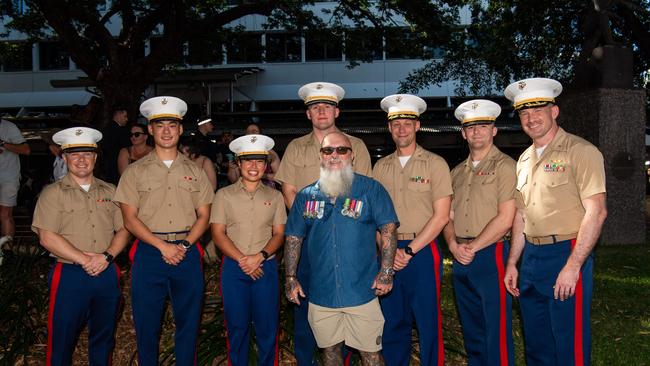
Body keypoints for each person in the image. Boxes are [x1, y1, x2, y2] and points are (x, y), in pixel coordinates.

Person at [503, 78, 607, 366]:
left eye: (538, 110)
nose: (531, 118)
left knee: (568, 342)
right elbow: (521, 215)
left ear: (554, 111)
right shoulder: (524, 159)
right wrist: (513, 262)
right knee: (536, 342)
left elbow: (597, 212)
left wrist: (574, 266)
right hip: (532, 258)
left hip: (566, 252)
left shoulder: (581, 151)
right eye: (524, 113)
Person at [274, 81, 372, 365]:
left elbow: (364, 191)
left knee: (353, 306)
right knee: (306, 306)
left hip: (350, 242)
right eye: (315, 107)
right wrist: (311, 224)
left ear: (337, 112)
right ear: (308, 114)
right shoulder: (295, 147)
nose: (321, 112)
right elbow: (289, 190)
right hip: (308, 242)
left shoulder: (357, 146)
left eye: (327, 107)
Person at [114, 96, 214, 366]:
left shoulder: (196, 171)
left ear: (181, 129)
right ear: (150, 130)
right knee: (147, 327)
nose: (167, 131)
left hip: (188, 252)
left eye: (172, 125)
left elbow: (204, 215)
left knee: (189, 324)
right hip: (149, 253)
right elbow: (129, 218)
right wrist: (163, 247)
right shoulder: (134, 173)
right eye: (160, 125)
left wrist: (182, 246)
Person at [284, 131, 398, 366]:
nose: (334, 155)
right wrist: (291, 277)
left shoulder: (371, 190)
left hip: (362, 291)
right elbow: (293, 238)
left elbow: (388, 230)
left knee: (371, 354)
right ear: (321, 156)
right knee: (330, 352)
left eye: (341, 150)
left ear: (352, 155)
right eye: (328, 150)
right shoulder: (306, 196)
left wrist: (386, 272)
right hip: (322, 293)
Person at [32, 127, 129, 365]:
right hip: (69, 275)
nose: (81, 159)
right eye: (74, 154)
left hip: (106, 272)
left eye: (87, 153)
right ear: (64, 158)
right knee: (61, 339)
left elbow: (125, 229)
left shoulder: (110, 191)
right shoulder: (53, 194)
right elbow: (46, 237)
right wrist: (86, 260)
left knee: (104, 337)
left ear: (95, 157)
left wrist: (106, 257)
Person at [372, 94, 452, 366]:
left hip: (422, 252)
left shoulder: (435, 163)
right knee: (393, 320)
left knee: (428, 321)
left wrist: (407, 251)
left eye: (407, 123)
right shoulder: (380, 167)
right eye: (396, 124)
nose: (402, 129)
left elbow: (441, 216)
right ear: (389, 128)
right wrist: (387, 252)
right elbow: (373, 217)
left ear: (418, 126)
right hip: (388, 252)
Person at [443, 99, 516, 365]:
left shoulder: (506, 166)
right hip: (460, 254)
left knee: (495, 327)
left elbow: (506, 218)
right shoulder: (455, 173)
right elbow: (446, 217)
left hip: (490, 253)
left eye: (483, 126)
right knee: (471, 326)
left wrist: (472, 248)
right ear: (463, 133)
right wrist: (453, 246)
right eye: (470, 127)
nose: (476, 132)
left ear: (494, 130)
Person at [211, 134, 286, 365]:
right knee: (236, 327)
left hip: (266, 268)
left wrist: (260, 257)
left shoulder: (275, 196)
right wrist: (244, 260)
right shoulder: (223, 195)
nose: (254, 167)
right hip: (235, 268)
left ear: (266, 165)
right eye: (248, 161)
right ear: (239, 164)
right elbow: (217, 233)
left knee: (267, 327)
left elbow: (279, 234)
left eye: (259, 161)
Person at [0, 118, 30, 250]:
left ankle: (7, 251)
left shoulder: (9, 127)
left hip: (8, 177)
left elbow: (26, 150)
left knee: (5, 214)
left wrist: (2, 143)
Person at [227, 122, 281, 189]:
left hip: (267, 192)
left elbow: (280, 178)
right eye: (248, 131)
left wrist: (259, 175)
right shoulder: (240, 153)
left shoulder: (271, 153)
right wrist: (231, 168)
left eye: (254, 131)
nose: (251, 133)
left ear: (260, 134)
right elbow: (233, 180)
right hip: (243, 191)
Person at [99, 107, 131, 184]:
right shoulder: (120, 131)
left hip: (108, 166)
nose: (126, 119)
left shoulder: (106, 128)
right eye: (125, 116)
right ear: (118, 114)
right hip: (116, 166)